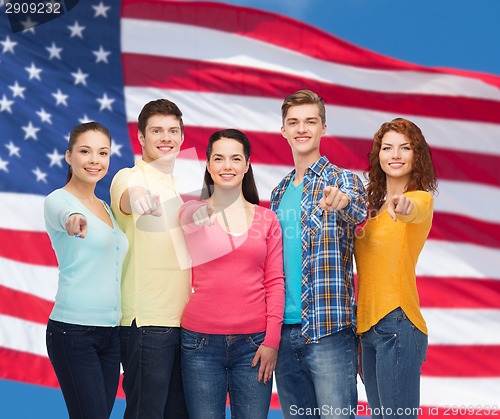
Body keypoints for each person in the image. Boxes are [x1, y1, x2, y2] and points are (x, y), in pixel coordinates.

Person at [270, 89, 367, 419]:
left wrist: (341, 202)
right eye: (294, 122)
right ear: (283, 130)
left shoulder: (343, 180)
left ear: (323, 128)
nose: (302, 129)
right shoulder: (278, 192)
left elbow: (358, 211)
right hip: (282, 332)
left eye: (310, 121)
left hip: (329, 329)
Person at [178, 129, 285, 419]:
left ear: (247, 164)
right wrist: (199, 214)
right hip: (199, 343)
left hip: (254, 345)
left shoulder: (268, 219)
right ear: (209, 165)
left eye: (236, 158)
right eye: (219, 158)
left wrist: (272, 341)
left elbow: (275, 282)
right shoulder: (192, 212)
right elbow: (185, 217)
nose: (227, 166)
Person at [109, 99, 191, 419]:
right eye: (157, 131)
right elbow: (130, 197)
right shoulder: (129, 176)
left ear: (182, 137)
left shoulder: (179, 189)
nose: (166, 137)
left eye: (172, 130)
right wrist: (140, 200)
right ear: (141, 137)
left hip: (183, 323)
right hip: (147, 323)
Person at [354, 118, 437, 419]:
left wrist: (403, 206)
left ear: (417, 156)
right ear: (378, 155)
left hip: (398, 324)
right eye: (387, 147)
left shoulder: (419, 199)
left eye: (405, 147)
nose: (396, 154)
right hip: (367, 331)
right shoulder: (369, 210)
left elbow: (413, 211)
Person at [44, 122, 128, 419]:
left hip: (110, 333)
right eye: (85, 151)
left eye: (102, 153)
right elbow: (66, 215)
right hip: (73, 331)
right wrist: (73, 219)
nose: (95, 160)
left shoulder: (106, 207)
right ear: (69, 156)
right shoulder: (58, 200)